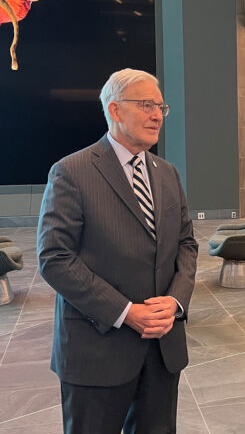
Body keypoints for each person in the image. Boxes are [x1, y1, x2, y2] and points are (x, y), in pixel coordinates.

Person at [37, 68, 198, 434]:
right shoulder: (72, 172)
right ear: (114, 110)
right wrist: (125, 312)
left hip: (162, 351)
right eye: (146, 105)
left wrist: (175, 302)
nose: (157, 114)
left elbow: (186, 245)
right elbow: (54, 258)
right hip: (97, 351)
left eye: (160, 106)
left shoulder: (168, 174)